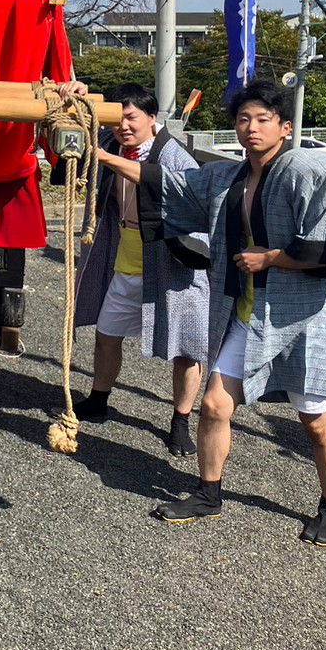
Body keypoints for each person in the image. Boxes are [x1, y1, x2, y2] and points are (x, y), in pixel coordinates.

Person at [97, 79, 326, 546]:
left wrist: (272, 257)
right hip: (248, 310)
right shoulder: (227, 177)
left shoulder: (306, 171)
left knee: (317, 420)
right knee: (216, 404)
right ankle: (208, 493)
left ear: (285, 127)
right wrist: (100, 156)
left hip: (301, 317)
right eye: (244, 119)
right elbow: (169, 182)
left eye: (263, 119)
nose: (252, 127)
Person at [68, 83, 209, 456]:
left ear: (152, 118)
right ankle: (99, 398)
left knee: (186, 347)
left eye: (131, 118)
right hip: (124, 256)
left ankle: (181, 420)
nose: (123, 126)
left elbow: (182, 195)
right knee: (106, 333)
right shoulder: (110, 143)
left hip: (170, 262)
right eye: (118, 119)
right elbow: (73, 125)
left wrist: (103, 156)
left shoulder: (176, 157)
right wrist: (78, 93)